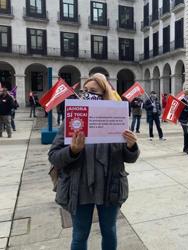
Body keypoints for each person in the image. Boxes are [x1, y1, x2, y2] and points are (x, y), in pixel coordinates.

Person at [48, 73, 140, 250]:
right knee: (80, 235)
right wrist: (72, 151)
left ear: (104, 93)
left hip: (109, 188)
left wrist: (131, 146)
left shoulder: (116, 119)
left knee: (109, 231)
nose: (88, 94)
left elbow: (130, 158)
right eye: (85, 90)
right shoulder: (72, 119)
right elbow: (54, 156)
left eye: (94, 91)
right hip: (79, 189)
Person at [179, 90, 188, 154]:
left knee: (187, 135)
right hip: (183, 119)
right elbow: (182, 110)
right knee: (186, 133)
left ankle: (185, 148)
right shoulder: (182, 101)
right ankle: (186, 148)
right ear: (185, 94)